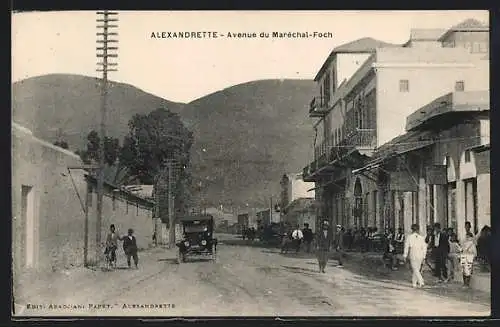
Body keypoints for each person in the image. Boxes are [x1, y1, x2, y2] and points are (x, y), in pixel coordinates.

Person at [403, 224, 428, 288]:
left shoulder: (409, 237)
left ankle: (421, 281)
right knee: (417, 268)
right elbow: (424, 247)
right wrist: (424, 256)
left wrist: (405, 255)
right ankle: (414, 283)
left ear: (412, 229)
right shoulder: (421, 238)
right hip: (420, 253)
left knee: (415, 268)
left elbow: (406, 246)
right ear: (418, 230)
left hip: (413, 252)